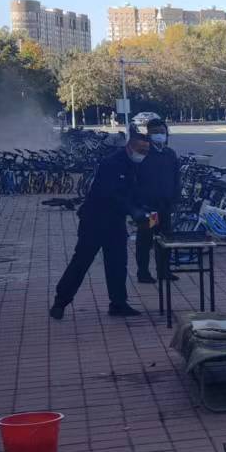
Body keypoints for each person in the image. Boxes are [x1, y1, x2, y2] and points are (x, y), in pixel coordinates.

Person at [51, 130, 150, 320]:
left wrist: (142, 208)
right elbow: (110, 194)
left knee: (117, 263)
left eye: (146, 151)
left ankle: (118, 303)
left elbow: (134, 191)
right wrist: (133, 210)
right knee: (81, 261)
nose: (143, 154)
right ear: (130, 147)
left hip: (116, 222)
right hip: (94, 220)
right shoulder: (111, 163)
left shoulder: (135, 164)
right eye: (141, 150)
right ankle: (60, 302)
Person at [130, 117, 179, 283]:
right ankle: (143, 273)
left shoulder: (169, 154)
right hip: (150, 209)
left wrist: (175, 199)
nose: (159, 135)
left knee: (165, 239)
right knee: (146, 240)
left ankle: (164, 270)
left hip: (165, 207)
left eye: (162, 132)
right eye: (155, 132)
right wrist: (138, 203)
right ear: (149, 134)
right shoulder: (143, 153)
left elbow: (176, 178)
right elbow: (134, 178)